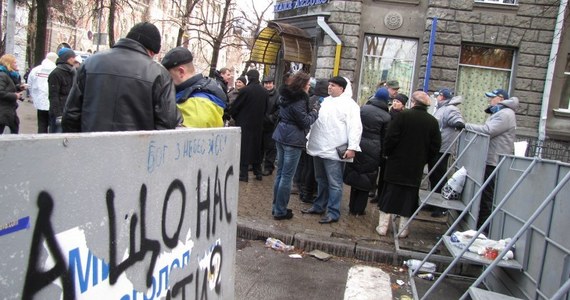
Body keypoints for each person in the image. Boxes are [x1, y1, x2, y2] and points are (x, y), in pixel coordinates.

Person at [62, 22, 179, 132]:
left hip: (91, 148)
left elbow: (71, 115)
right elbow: (166, 125)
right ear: (152, 52)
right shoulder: (159, 73)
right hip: (137, 150)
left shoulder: (89, 63)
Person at [376, 91, 441, 238]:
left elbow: (390, 137)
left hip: (396, 163)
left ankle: (383, 227)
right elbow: (435, 146)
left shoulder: (402, 116)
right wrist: (424, 159)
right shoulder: (432, 122)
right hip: (415, 166)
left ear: (413, 102)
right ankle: (403, 229)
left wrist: (387, 153)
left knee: (390, 193)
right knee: (409, 196)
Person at [301, 76, 363, 224]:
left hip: (335, 150)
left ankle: (333, 212)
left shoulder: (350, 105)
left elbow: (355, 128)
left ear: (342, 88)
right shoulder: (325, 101)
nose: (330, 87)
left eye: (333, 85)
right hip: (318, 147)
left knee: (334, 183)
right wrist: (309, 139)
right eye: (329, 85)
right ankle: (319, 206)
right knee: (320, 179)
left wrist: (352, 147)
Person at [465, 89, 518, 231]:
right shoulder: (501, 112)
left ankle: (483, 230)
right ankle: (480, 227)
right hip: (491, 159)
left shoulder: (505, 114)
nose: (490, 100)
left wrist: (465, 125)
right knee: (485, 195)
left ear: (500, 99)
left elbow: (488, 131)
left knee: (487, 197)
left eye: (492, 98)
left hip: (494, 160)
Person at [271, 72, 319, 220]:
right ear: (302, 84)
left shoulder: (285, 95)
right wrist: (315, 112)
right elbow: (304, 121)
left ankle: (276, 207)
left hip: (281, 134)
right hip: (292, 139)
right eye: (308, 84)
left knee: (280, 174)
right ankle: (280, 211)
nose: (309, 86)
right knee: (286, 176)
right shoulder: (299, 100)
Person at [343, 87, 391, 215]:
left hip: (358, 143)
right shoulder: (386, 116)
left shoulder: (363, 109)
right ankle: (359, 209)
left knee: (355, 172)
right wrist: (383, 154)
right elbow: (385, 137)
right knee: (367, 177)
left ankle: (351, 206)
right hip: (374, 148)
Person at [161, 47, 226, 128]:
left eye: (168, 76)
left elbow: (183, 138)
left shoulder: (197, 104)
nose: (166, 80)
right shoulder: (202, 91)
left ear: (181, 72)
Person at [428, 88, 465, 217]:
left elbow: (458, 121)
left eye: (438, 96)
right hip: (437, 147)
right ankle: (433, 202)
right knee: (434, 175)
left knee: (439, 176)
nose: (436, 98)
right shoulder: (441, 108)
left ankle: (441, 206)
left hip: (443, 148)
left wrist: (458, 123)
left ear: (442, 97)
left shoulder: (450, 109)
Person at [229, 69, 268, 182]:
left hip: (244, 124)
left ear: (249, 78)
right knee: (256, 148)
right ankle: (258, 173)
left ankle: (243, 175)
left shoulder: (245, 90)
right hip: (259, 124)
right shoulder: (264, 92)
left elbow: (236, 106)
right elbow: (266, 109)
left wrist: (235, 116)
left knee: (244, 149)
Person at [298, 78, 328, 203]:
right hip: (314, 137)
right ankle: (308, 193)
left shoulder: (309, 99)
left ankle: (303, 190)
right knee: (311, 167)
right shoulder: (324, 102)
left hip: (305, 136)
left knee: (305, 166)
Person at [48, 47, 77, 133]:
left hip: (70, 111)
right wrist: (58, 114)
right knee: (56, 136)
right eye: (72, 57)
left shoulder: (73, 72)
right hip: (59, 112)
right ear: (66, 58)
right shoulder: (56, 73)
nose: (74, 59)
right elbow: (53, 96)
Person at [28, 52, 58, 133]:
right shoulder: (56, 70)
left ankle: (41, 140)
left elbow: (29, 85)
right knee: (53, 125)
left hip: (40, 102)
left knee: (42, 124)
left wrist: (34, 96)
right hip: (53, 103)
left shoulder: (36, 70)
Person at [0, 54, 25, 134]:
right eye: (14, 63)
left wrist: (19, 87)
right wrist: (15, 96)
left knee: (15, 126)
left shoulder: (9, 74)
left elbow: (9, 87)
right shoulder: (2, 75)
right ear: (9, 63)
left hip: (9, 109)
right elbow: (1, 92)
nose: (16, 64)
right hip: (3, 110)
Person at [262, 76, 280, 176]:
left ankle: (268, 167)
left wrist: (271, 118)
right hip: (261, 124)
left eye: (270, 83)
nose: (268, 85)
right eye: (266, 83)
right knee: (260, 146)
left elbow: (279, 109)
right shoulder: (260, 93)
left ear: (273, 84)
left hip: (272, 125)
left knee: (270, 148)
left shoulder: (278, 95)